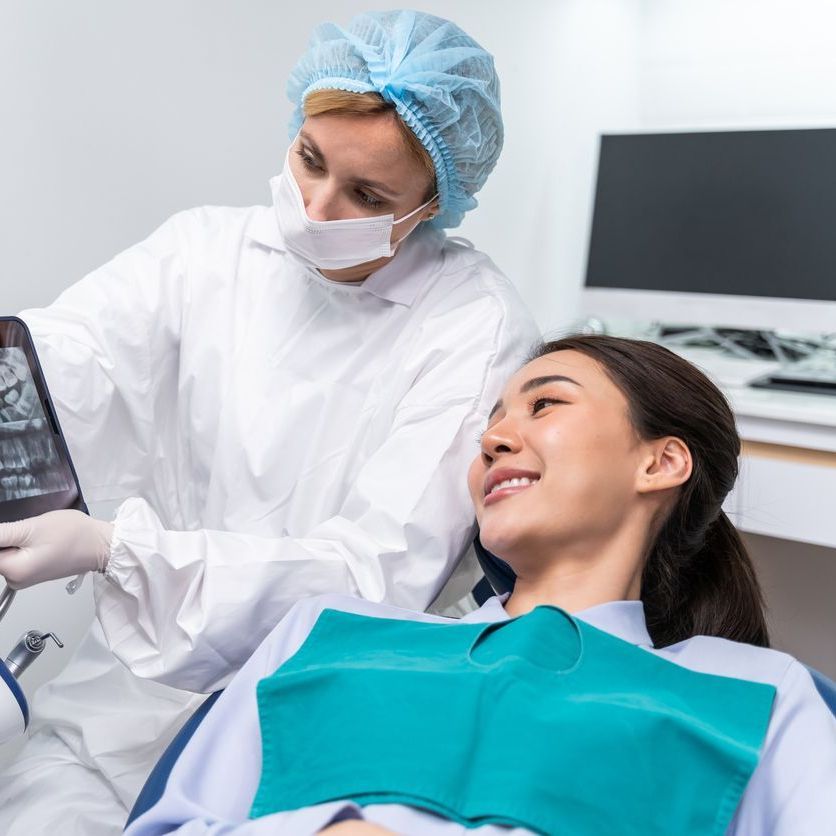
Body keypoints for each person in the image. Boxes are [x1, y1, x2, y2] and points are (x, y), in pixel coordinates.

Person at [0, 10, 538, 834]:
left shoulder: (474, 326)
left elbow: (373, 581)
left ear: (435, 201)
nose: (319, 207)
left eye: (368, 195)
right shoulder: (206, 251)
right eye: (310, 160)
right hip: (117, 703)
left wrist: (118, 549)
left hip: (305, 726)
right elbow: (68, 361)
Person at [126, 336, 836, 835]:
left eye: (544, 405)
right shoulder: (325, 633)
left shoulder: (762, 697)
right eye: (491, 422)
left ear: (660, 462)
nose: (494, 438)